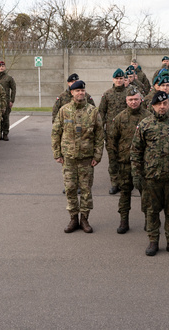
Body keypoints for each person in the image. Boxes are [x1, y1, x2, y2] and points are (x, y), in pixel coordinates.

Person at [132, 91, 169, 257]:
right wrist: (136, 174)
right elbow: (136, 151)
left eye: (165, 103)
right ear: (152, 106)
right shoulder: (144, 125)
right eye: (158, 104)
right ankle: (153, 241)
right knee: (151, 211)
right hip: (151, 177)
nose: (162, 106)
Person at [51, 80, 104, 233]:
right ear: (72, 92)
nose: (81, 93)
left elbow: (100, 135)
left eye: (82, 90)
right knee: (70, 189)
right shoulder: (64, 110)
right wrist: (57, 153)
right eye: (77, 90)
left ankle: (85, 220)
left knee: (86, 190)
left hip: (87, 158)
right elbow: (56, 132)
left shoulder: (93, 111)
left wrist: (97, 155)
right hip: (69, 158)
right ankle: (73, 218)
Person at [107, 86, 150, 233]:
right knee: (125, 193)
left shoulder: (148, 117)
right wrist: (113, 164)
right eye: (130, 100)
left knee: (146, 194)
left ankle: (148, 221)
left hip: (143, 164)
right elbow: (112, 142)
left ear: (141, 99)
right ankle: (123, 221)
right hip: (124, 163)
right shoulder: (119, 118)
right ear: (126, 100)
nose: (133, 102)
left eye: (136, 99)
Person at [99, 68, 130, 195]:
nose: (119, 80)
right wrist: (101, 130)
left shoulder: (129, 93)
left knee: (126, 159)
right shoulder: (107, 94)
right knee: (113, 159)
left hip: (126, 133)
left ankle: (126, 182)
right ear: (113, 79)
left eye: (121, 78)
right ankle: (115, 183)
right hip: (111, 134)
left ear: (124, 80)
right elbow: (101, 113)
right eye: (117, 78)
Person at [0, 61, 16, 141]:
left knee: (5, 118)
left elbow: (13, 89)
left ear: (5, 67)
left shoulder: (9, 78)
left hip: (6, 101)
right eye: (0, 66)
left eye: (3, 66)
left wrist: (12, 100)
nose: (1, 67)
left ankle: (5, 133)